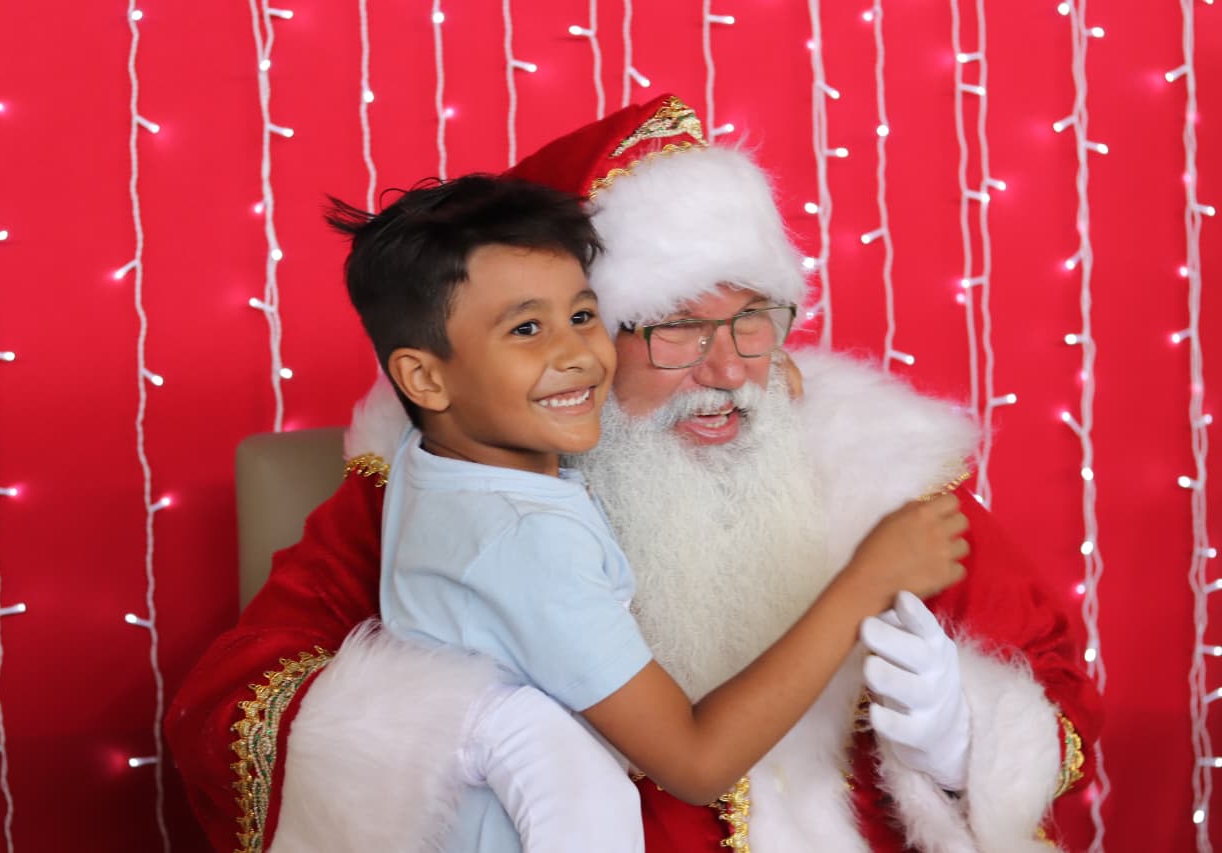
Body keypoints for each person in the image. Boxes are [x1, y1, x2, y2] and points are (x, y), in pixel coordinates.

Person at [166, 94, 1101, 853]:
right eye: (676, 329)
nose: (729, 369)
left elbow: (1054, 678)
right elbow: (228, 707)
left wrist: (960, 737)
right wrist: (465, 724)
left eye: (753, 319)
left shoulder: (878, 469)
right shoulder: (445, 480)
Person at [324, 172, 968, 853]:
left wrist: (748, 377)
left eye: (582, 317)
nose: (576, 355)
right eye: (527, 328)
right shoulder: (528, 543)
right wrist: (864, 583)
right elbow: (696, 762)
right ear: (424, 378)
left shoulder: (444, 456)